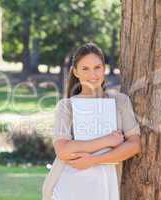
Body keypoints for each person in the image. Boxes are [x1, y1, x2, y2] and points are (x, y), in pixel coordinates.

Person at [42, 43, 142, 200]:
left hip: (105, 185)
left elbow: (134, 145)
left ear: (104, 69)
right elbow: (63, 150)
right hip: (69, 184)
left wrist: (94, 160)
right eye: (85, 69)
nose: (92, 74)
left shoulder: (120, 101)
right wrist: (108, 140)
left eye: (97, 67)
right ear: (75, 72)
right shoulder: (67, 106)